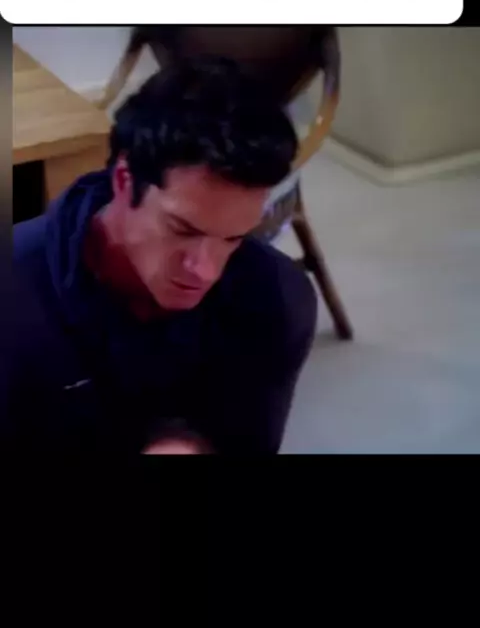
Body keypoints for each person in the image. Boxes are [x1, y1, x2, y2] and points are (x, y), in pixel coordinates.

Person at [7, 56, 317, 453]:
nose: (205, 270)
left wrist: (190, 443)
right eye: (182, 229)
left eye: (233, 238)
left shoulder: (278, 300)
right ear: (124, 180)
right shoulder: (13, 299)